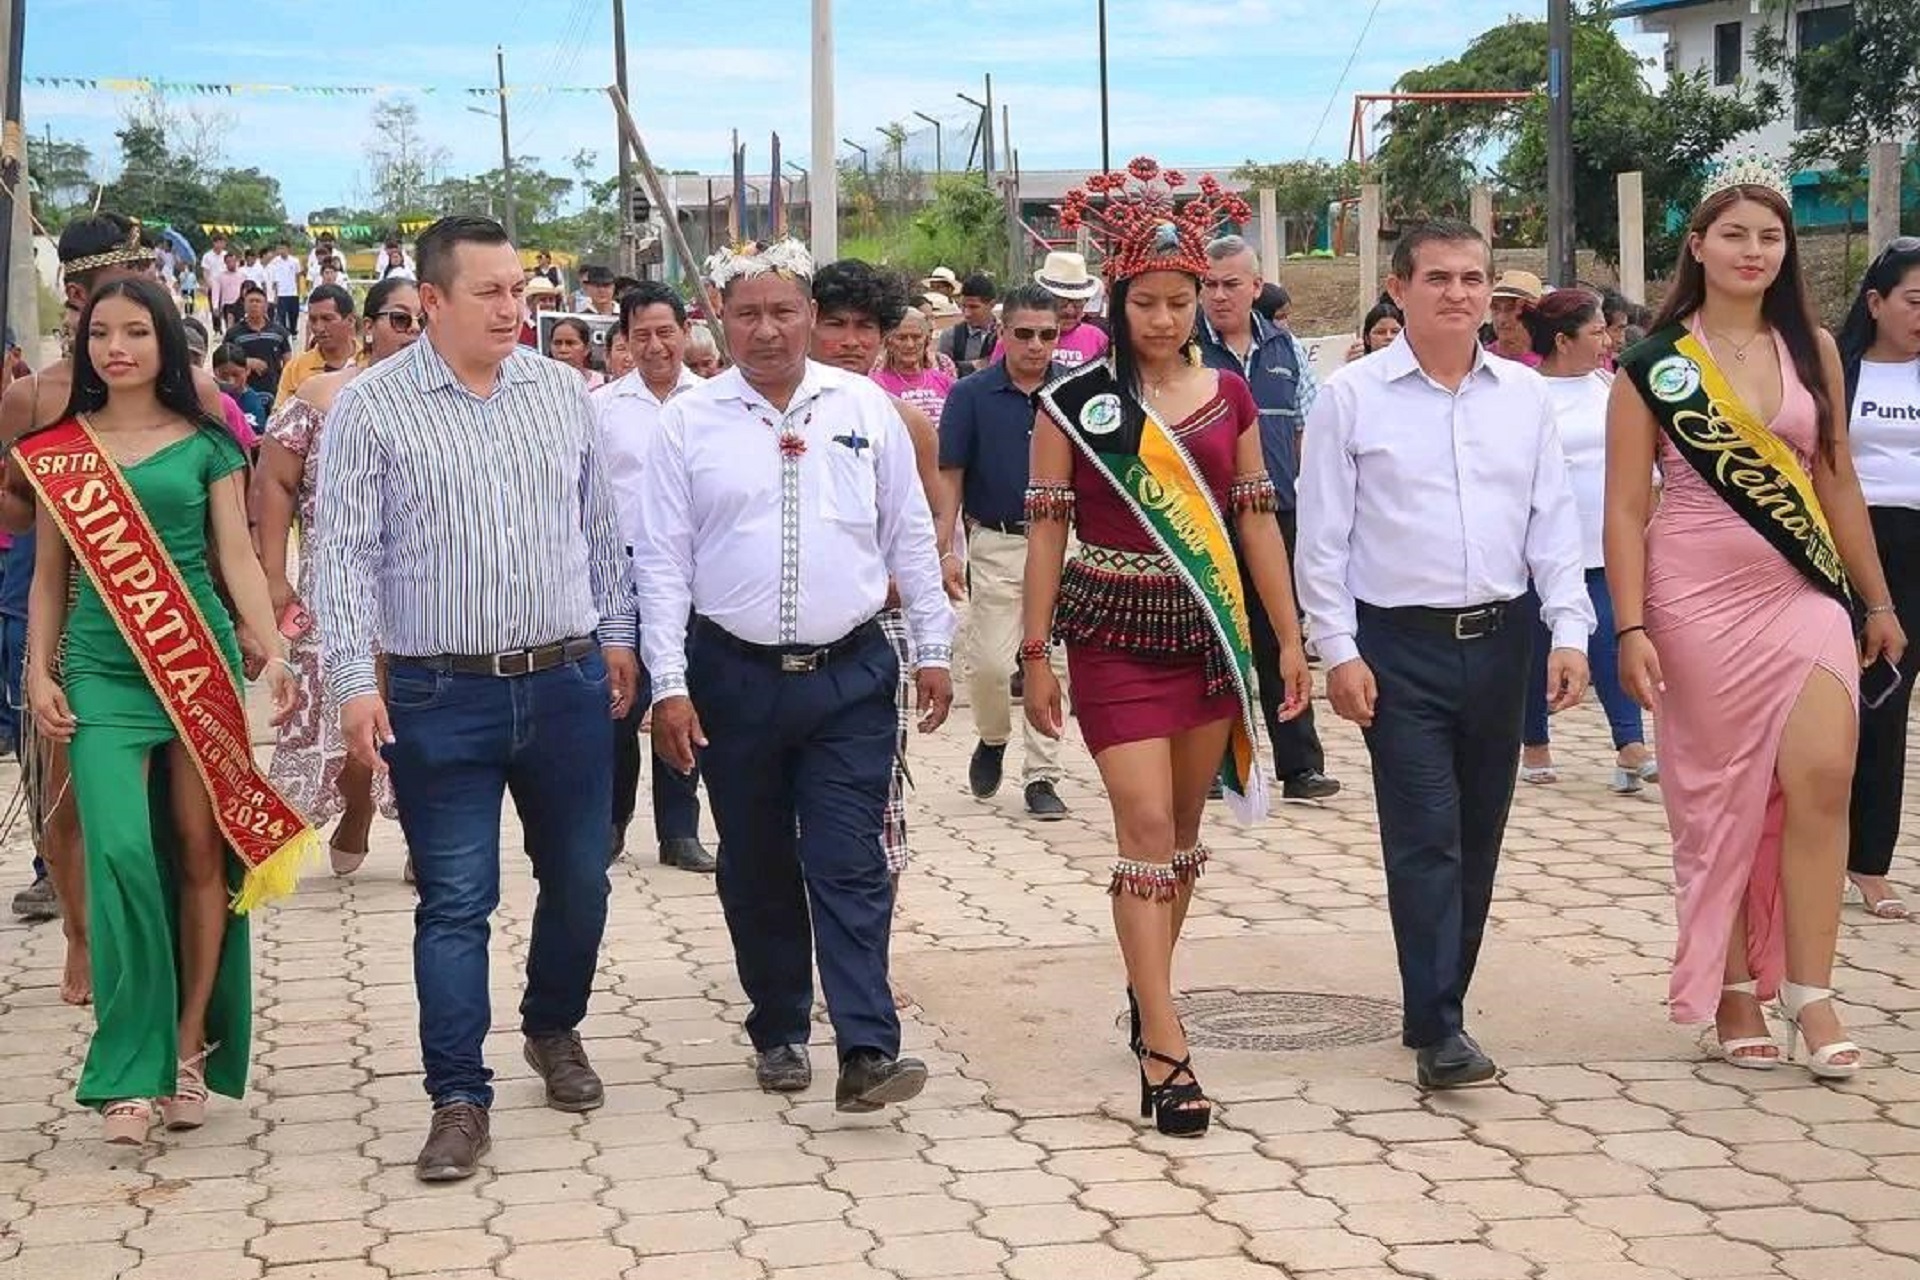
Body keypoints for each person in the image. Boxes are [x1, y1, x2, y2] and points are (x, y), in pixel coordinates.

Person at [313, 214, 639, 1181]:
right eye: (490, 292)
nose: (512, 309)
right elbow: (344, 557)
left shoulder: (562, 394)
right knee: (456, 900)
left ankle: (553, 1026)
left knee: (581, 876)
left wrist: (619, 638)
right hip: (438, 691)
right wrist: (351, 685)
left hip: (567, 681)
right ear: (433, 300)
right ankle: (458, 1098)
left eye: (520, 291)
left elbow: (599, 529)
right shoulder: (372, 408)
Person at [633, 238, 955, 1111]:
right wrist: (670, 683)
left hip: (849, 675)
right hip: (732, 679)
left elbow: (909, 533)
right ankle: (778, 1027)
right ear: (720, 320)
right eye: (747, 314)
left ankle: (867, 1048)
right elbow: (661, 561)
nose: (767, 330)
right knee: (758, 860)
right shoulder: (688, 423)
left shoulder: (864, 408)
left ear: (810, 315)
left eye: (783, 311)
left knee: (849, 859)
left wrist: (933, 647)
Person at [1022, 162, 1308, 1137]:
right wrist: (1035, 652)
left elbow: (1256, 519)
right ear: (1117, 300)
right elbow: (1048, 528)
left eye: (1180, 301)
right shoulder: (1075, 403)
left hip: (1206, 638)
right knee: (1143, 827)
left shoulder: (1230, 395)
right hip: (1111, 634)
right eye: (1145, 301)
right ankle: (1166, 1045)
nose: (1163, 317)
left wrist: (1288, 638)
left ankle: (1150, 993)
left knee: (1182, 836)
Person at [1605, 161, 1901, 1081]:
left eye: (1770, 237)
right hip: (1691, 601)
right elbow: (1625, 507)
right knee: (1720, 798)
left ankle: (1812, 990)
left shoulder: (1814, 349)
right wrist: (1628, 628)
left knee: (1823, 778)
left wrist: (1877, 599)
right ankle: (1734, 988)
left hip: (1801, 592)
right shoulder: (1655, 364)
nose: (1754, 250)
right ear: (1698, 246)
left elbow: (1837, 482)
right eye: (1735, 234)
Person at [1296, 219, 1594, 1090]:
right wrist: (1337, 650)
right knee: (1426, 834)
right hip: (1398, 649)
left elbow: (1552, 521)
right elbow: (1323, 538)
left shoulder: (1524, 396)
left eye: (1472, 279)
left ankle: (1438, 999)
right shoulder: (1352, 397)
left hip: (1502, 642)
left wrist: (1569, 630)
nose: (1458, 294)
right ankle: (1440, 1028)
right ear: (1399, 288)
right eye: (1437, 278)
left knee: (1477, 834)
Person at [21, 276, 301, 1144]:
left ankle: (183, 1050)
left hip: (195, 661)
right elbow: (48, 579)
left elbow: (238, 558)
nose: (117, 348)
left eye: (136, 332)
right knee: (118, 855)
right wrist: (37, 673)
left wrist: (274, 651)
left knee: (199, 853)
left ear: (165, 342)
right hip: (99, 670)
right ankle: (126, 1061)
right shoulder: (58, 452)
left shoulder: (207, 444)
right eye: (101, 333)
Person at [1, 215, 236, 1000]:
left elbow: (217, 523)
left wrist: (244, 621)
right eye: (112, 295)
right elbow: (14, 511)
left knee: (187, 821)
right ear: (76, 297)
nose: (129, 316)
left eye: (146, 287)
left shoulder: (195, 392)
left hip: (175, 619)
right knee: (68, 802)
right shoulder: (33, 397)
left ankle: (175, 974)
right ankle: (80, 936)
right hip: (70, 612)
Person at [257, 276, 422, 878]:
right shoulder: (321, 396)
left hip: (422, 592)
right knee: (344, 706)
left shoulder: (451, 399)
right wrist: (273, 576)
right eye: (398, 319)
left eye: (421, 321)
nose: (411, 332)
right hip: (336, 586)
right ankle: (356, 807)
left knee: (420, 713)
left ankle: (427, 836)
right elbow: (274, 484)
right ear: (368, 326)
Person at [811, 259, 964, 871]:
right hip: (785, 636)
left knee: (877, 799)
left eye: (866, 327)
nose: (851, 341)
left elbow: (933, 516)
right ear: (809, 324)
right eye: (836, 324)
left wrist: (918, 593)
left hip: (880, 629)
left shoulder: (905, 422)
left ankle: (871, 925)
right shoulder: (771, 416)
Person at [1196, 234, 1340, 802]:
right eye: (1209, 285)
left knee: (1282, 636)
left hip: (1276, 515)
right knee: (1209, 643)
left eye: (1231, 284)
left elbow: (1308, 432)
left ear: (1256, 287)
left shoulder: (1286, 350)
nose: (1219, 296)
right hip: (1202, 522)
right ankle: (1211, 764)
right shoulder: (1187, 351)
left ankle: (1300, 767)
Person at [1509, 289, 1656, 793]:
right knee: (1536, 648)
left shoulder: (1610, 386)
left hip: (1604, 543)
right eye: (1596, 332)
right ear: (1562, 340)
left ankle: (1629, 743)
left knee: (1613, 636)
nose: (1607, 341)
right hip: (1541, 548)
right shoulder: (1526, 393)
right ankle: (1534, 742)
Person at [591, 281, 714, 873]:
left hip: (698, 576)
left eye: (666, 332)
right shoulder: (603, 409)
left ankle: (680, 831)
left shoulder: (716, 404)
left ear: (686, 333)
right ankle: (611, 823)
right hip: (622, 574)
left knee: (682, 694)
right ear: (624, 340)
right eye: (641, 335)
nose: (656, 345)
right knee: (619, 700)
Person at [940, 284, 1073, 817]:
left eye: (1048, 335)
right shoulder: (970, 395)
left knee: (1051, 660)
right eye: (1025, 333)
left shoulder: (1076, 393)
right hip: (996, 541)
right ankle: (993, 737)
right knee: (992, 664)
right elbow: (951, 476)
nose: (1036, 345)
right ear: (1003, 333)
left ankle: (1042, 775)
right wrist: (945, 548)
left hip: (1064, 541)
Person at [1839, 236, 1920, 920]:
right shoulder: (1837, 373)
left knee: (1889, 707)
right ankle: (1810, 847)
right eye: (1914, 301)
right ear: (1876, 302)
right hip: (1845, 550)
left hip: (1916, 554)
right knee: (1839, 704)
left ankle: (1870, 860)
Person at [992, 251, 1109, 368]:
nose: (1070, 311)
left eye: (1078, 302)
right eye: (1062, 302)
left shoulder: (1097, 339)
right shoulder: (1016, 336)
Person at [275, 285, 361, 406]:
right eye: (313, 320)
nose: (319, 328)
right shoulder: (295, 369)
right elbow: (280, 415)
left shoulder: (370, 362)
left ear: (350, 321)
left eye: (327, 319)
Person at [873, 308, 956, 424]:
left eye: (916, 337)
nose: (910, 344)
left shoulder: (944, 381)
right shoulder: (876, 385)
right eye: (901, 338)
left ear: (926, 340)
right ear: (888, 342)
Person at [227, 284, 293, 397]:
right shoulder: (234, 333)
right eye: (251, 301)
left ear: (266, 306)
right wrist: (246, 362)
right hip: (243, 393)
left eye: (258, 301)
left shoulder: (279, 332)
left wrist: (285, 387)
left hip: (274, 391)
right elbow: (224, 360)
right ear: (244, 305)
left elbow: (288, 362)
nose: (254, 304)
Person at [941, 273, 999, 375]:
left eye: (974, 307)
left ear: (992, 304)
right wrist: (972, 366)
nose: (967, 313)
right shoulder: (950, 336)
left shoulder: (1006, 334)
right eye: (963, 306)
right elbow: (942, 374)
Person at [212, 343, 272, 438]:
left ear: (247, 370)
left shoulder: (255, 403)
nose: (231, 381)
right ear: (215, 372)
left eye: (236, 375)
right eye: (224, 375)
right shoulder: (210, 399)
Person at [1486, 270, 1543, 365]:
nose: (1501, 319)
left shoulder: (1550, 363)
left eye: (1510, 308)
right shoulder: (1480, 359)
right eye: (1495, 307)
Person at [547, 317, 606, 390]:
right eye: (557, 343)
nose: (563, 349)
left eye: (570, 343)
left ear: (586, 348)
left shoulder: (602, 384)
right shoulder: (541, 382)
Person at [1345, 298, 1404, 362]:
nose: (1388, 337)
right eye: (1380, 332)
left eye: (1395, 331)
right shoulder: (1359, 365)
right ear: (1367, 339)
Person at [267, 243, 302, 333]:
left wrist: (298, 291)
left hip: (293, 292)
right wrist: (275, 294)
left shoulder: (295, 261)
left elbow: (298, 276)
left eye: (283, 248)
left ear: (288, 249)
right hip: (281, 293)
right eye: (280, 248)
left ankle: (293, 331)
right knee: (281, 316)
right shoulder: (275, 261)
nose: (282, 251)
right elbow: (273, 277)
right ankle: (283, 333)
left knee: (294, 314)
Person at [208, 252, 244, 337]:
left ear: (236, 261)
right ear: (225, 263)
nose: (231, 264)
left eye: (233, 261)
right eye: (228, 262)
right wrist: (215, 306)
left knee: (241, 326)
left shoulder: (242, 275)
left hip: (240, 304)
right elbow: (216, 292)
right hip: (227, 305)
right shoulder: (220, 276)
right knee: (230, 327)